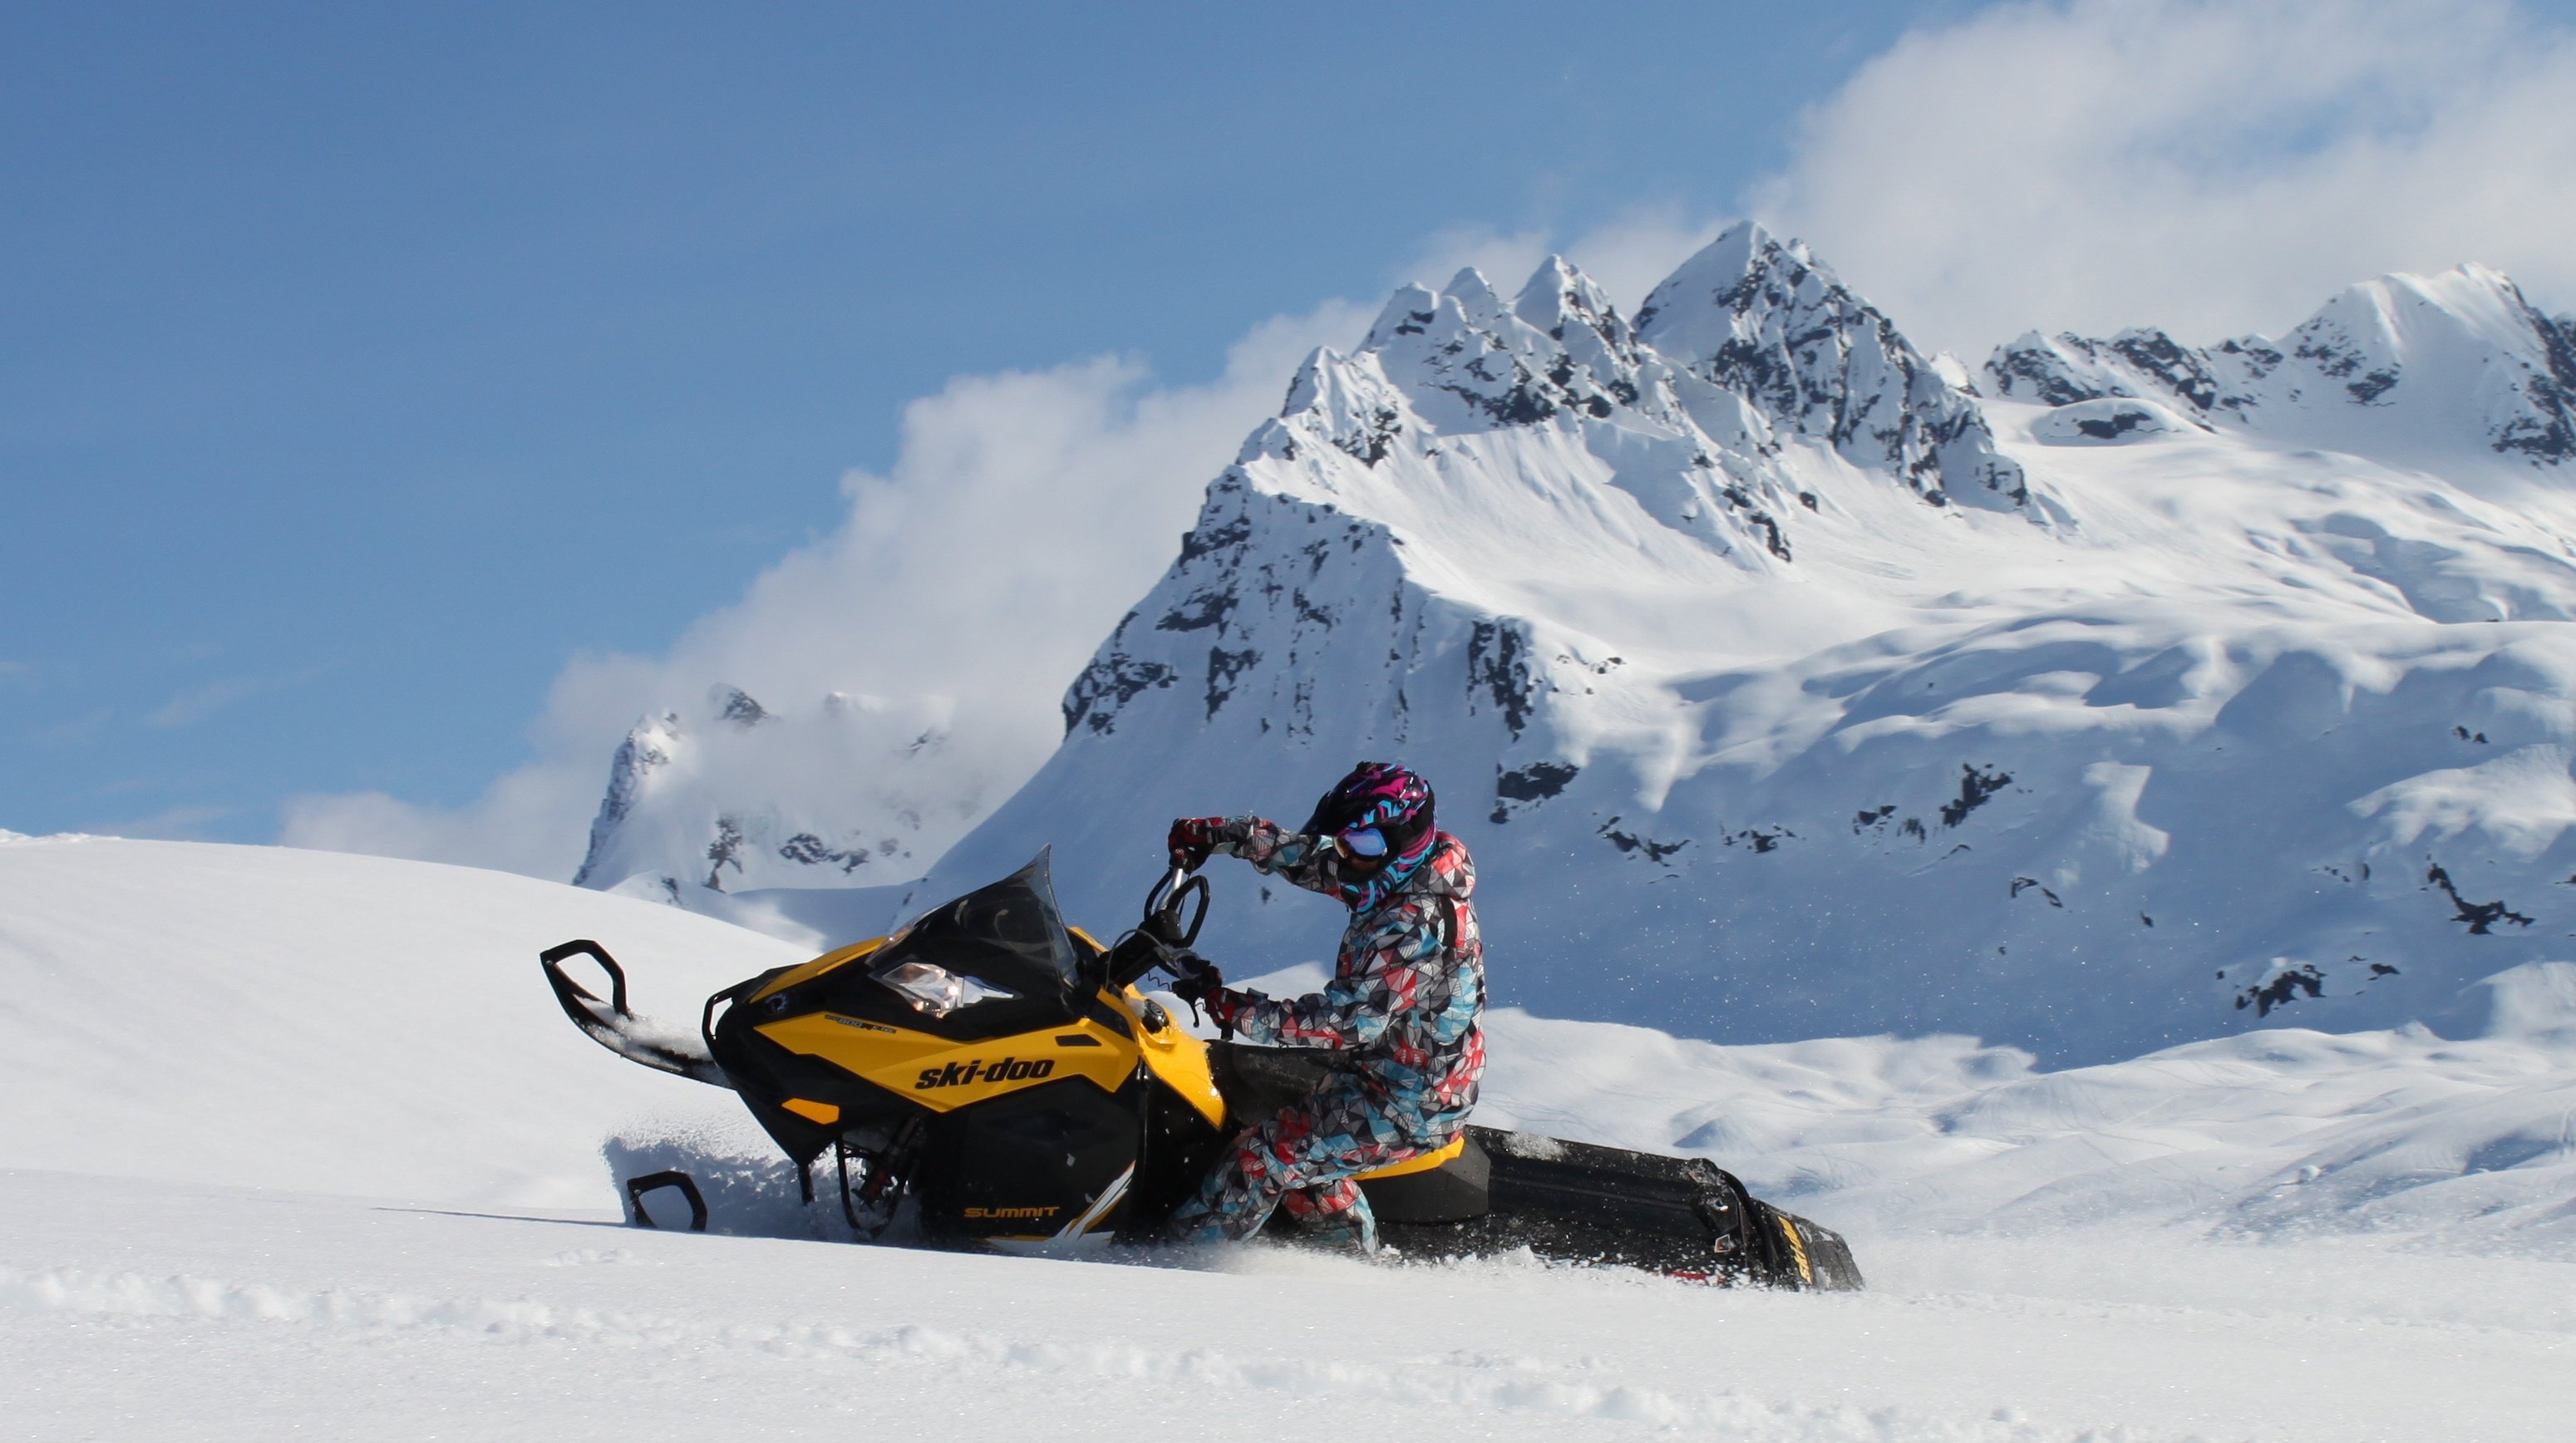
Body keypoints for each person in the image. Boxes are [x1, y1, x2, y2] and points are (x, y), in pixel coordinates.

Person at [1159, 761, 1485, 1252]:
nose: (1348, 857)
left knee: (1264, 1157)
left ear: (1404, 840)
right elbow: (1317, 860)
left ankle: (1172, 1269)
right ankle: (1351, 1269)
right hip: (1383, 1070)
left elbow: (1346, 1023)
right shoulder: (1400, 870)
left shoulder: (1415, 924)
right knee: (1300, 1156)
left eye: (1365, 845)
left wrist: (1235, 1009)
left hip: (1410, 1103)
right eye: (1345, 841)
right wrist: (1224, 836)